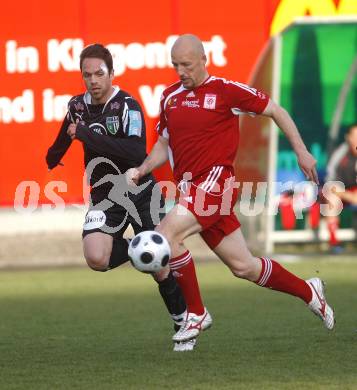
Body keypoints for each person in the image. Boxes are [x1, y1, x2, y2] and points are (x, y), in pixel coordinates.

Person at [126, 34, 335, 343]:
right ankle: (310, 291)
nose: (180, 71)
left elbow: (276, 110)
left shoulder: (225, 91)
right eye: (175, 65)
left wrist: (302, 151)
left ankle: (195, 313)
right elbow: (164, 143)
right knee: (244, 266)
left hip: (216, 184)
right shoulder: (170, 96)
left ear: (202, 60)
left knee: (167, 234)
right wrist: (143, 169)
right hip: (191, 190)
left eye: (186, 64)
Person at [46, 43, 193, 352]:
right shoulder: (77, 106)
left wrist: (85, 135)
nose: (93, 81)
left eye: (99, 73)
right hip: (104, 194)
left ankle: (183, 320)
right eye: (87, 75)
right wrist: (53, 155)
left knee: (159, 267)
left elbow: (136, 152)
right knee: (96, 257)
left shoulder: (127, 105)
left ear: (111, 73)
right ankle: (144, 249)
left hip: (140, 189)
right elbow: (68, 131)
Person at [325, 124, 357, 252]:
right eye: (354, 136)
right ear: (348, 138)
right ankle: (334, 243)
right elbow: (330, 182)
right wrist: (346, 195)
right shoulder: (340, 153)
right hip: (343, 191)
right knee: (331, 195)